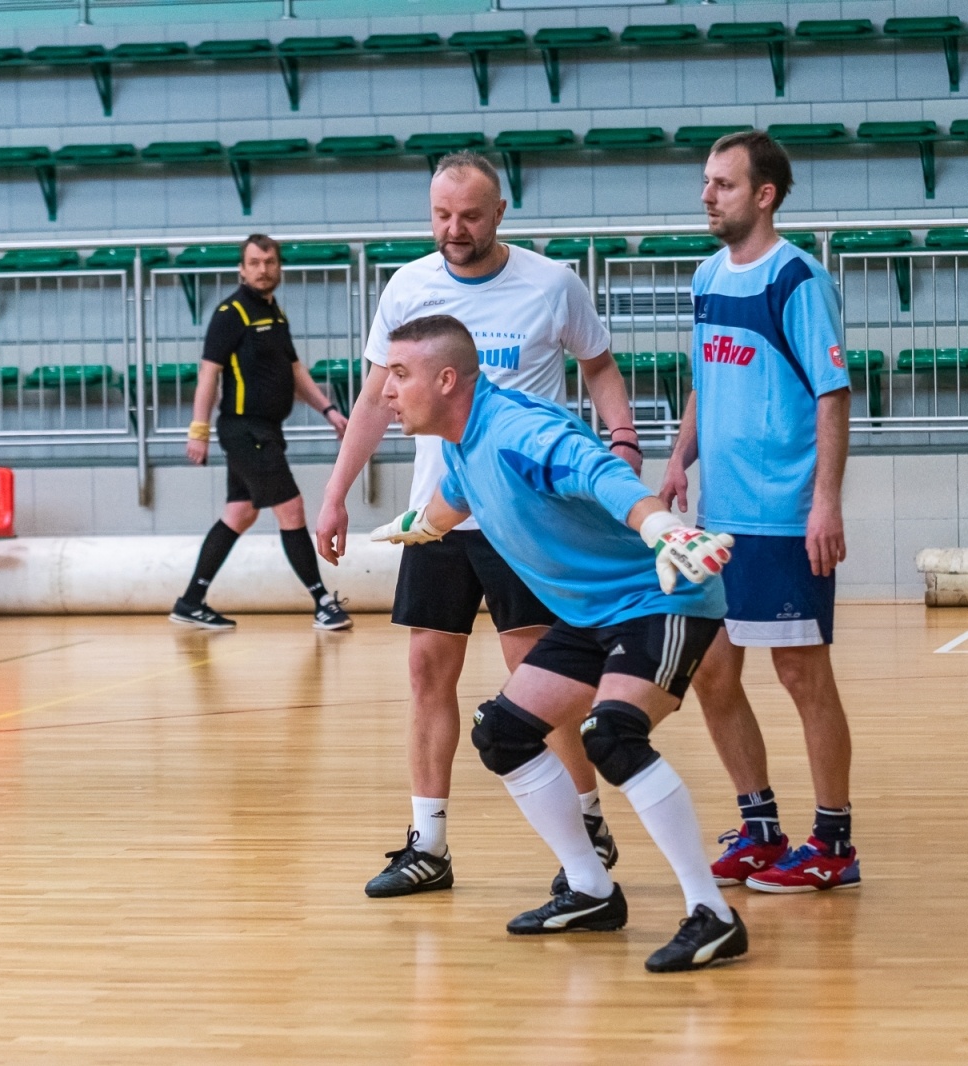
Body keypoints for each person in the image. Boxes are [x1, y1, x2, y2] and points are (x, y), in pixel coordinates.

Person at [371, 314, 747, 973]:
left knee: (613, 736)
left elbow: (600, 472)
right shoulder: (463, 441)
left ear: (447, 378)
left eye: (399, 375)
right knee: (503, 734)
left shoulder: (520, 432)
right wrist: (406, 529)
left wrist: (660, 525)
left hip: (660, 599)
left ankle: (712, 914)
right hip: (591, 615)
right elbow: (448, 507)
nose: (384, 392)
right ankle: (590, 889)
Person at [315, 152, 642, 897]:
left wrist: (620, 438)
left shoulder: (551, 284)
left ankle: (585, 822)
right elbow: (373, 399)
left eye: (468, 215)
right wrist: (336, 493)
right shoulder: (408, 286)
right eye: (440, 215)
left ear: (500, 213)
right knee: (428, 670)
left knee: (542, 676)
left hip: (522, 518)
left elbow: (599, 365)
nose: (453, 230)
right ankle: (427, 843)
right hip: (438, 514)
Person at [660, 131, 861, 893]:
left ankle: (835, 843)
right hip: (719, 518)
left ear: (765, 194)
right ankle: (761, 827)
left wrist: (826, 503)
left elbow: (832, 394)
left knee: (802, 676)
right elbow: (705, 380)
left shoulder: (797, 279)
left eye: (723, 184)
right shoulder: (709, 276)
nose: (707, 195)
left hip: (783, 516)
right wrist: (681, 458)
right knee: (712, 672)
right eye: (707, 182)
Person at [171, 234, 353, 632]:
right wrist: (197, 431)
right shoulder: (230, 312)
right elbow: (208, 375)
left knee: (239, 514)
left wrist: (329, 409)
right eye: (254, 262)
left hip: (265, 428)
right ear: (242, 268)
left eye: (269, 262)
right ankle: (322, 602)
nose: (262, 269)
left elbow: (294, 371)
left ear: (279, 267)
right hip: (243, 429)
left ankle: (190, 601)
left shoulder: (274, 313)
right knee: (291, 508)